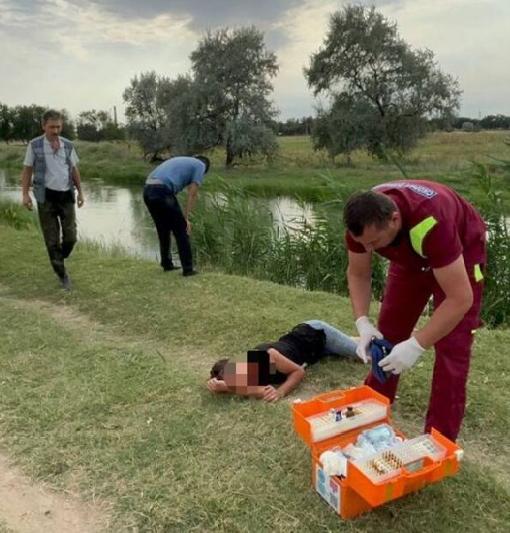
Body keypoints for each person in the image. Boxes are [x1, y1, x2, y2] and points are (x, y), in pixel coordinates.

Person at [344, 180, 487, 442]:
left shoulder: (432, 222)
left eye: (374, 242)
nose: (368, 250)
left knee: (451, 348)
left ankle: (438, 441)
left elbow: (460, 299)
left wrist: (417, 345)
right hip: (409, 255)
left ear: (394, 219)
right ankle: (372, 413)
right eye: (362, 244)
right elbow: (358, 273)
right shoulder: (363, 224)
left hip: (460, 254)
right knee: (388, 334)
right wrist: (362, 322)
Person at [206, 320, 359, 402]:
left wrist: (281, 392)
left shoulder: (266, 357)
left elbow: (298, 372)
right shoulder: (252, 377)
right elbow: (261, 391)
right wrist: (226, 387)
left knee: (365, 354)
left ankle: (357, 342)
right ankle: (349, 342)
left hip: (317, 335)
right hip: (315, 352)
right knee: (347, 350)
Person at [21, 109, 85, 290]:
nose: (55, 131)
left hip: (66, 195)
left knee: (71, 237)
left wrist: (80, 192)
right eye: (51, 127)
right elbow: (27, 171)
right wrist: (25, 194)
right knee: (51, 239)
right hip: (45, 197)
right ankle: (62, 274)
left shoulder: (68, 145)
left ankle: (59, 256)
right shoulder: (34, 146)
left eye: (58, 127)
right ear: (44, 126)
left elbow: (74, 170)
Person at [143, 155, 210, 276]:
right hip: (161, 190)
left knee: (163, 229)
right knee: (182, 229)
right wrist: (186, 218)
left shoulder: (184, 161)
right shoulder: (201, 165)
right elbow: (192, 193)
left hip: (148, 190)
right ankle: (188, 269)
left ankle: (167, 264)